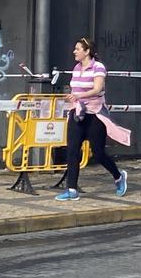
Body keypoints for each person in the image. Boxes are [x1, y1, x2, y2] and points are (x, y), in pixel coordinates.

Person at [56, 38, 132, 201]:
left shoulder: (99, 67)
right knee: (72, 151)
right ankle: (71, 189)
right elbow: (75, 88)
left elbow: (97, 89)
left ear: (87, 51)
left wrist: (79, 95)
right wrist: (73, 99)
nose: (74, 52)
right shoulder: (76, 68)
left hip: (95, 115)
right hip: (77, 113)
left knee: (98, 153)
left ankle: (118, 177)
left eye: (78, 49)